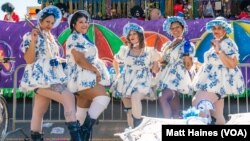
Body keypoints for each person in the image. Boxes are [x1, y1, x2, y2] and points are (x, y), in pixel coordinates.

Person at [19, 6, 83, 141]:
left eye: (52, 23)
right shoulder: (29, 36)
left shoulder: (51, 37)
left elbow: (51, 57)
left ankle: (36, 137)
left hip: (52, 77)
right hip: (38, 78)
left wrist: (64, 60)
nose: (50, 25)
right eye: (47, 21)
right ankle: (77, 138)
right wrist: (33, 40)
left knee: (39, 111)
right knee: (68, 97)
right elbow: (29, 60)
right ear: (40, 20)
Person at [66, 10, 111, 140]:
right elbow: (79, 59)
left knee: (81, 112)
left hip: (84, 76)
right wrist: (95, 70)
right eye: (81, 22)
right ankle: (85, 130)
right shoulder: (75, 37)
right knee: (103, 98)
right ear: (74, 24)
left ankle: (79, 136)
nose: (85, 24)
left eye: (86, 22)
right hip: (83, 77)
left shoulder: (82, 37)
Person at [192, 17, 245, 125]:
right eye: (214, 28)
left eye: (219, 28)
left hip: (218, 84)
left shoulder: (228, 43)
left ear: (225, 30)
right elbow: (214, 63)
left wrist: (219, 51)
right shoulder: (218, 42)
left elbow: (232, 64)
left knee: (199, 104)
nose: (215, 30)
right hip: (211, 82)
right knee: (217, 114)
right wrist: (199, 65)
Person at [111, 23, 161, 128]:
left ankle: (138, 126)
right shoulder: (124, 50)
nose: (132, 36)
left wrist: (156, 59)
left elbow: (155, 70)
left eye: (134, 33)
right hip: (125, 82)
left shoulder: (150, 51)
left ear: (140, 35)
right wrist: (117, 74)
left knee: (135, 96)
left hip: (142, 82)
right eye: (130, 34)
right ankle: (132, 134)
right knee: (129, 111)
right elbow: (115, 61)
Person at [157, 16, 195, 119]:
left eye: (177, 27)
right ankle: (175, 121)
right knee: (175, 108)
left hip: (177, 75)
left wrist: (187, 53)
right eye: (172, 28)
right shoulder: (168, 44)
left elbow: (188, 66)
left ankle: (167, 123)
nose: (175, 30)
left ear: (183, 28)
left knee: (162, 98)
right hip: (166, 75)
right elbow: (164, 60)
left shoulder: (187, 44)